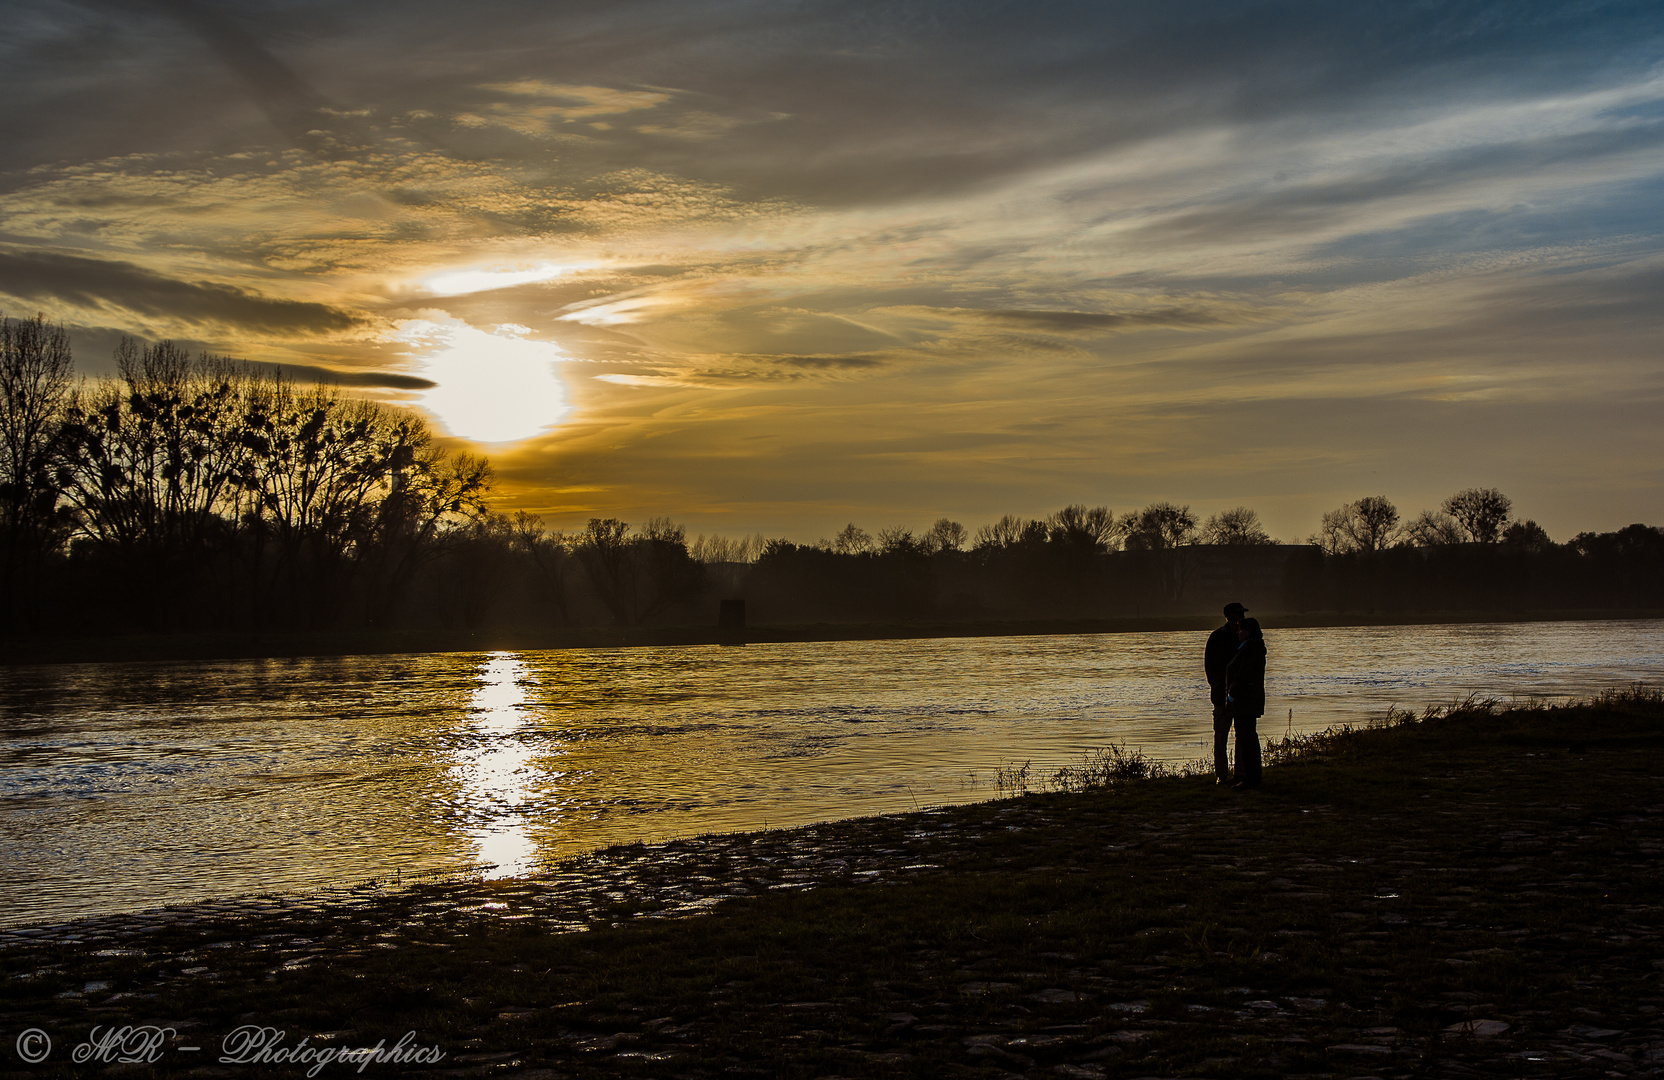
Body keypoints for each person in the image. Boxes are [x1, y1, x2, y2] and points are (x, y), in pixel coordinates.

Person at [1205, 602, 1248, 784]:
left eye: (1242, 614)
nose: (1242, 618)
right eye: (1239, 614)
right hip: (1222, 695)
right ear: (1229, 616)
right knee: (1221, 736)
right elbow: (1210, 667)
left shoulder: (1244, 636)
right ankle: (1221, 775)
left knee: (1240, 735)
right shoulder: (1217, 637)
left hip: (1240, 694)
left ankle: (1239, 773)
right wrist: (1217, 687)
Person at [1225, 617, 1267, 790]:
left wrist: (1232, 695)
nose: (1238, 632)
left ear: (1249, 631)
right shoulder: (1253, 648)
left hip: (1244, 701)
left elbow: (1242, 676)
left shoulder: (1249, 650)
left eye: (1241, 629)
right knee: (1248, 738)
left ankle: (1251, 779)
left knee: (1246, 739)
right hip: (1249, 700)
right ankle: (1252, 777)